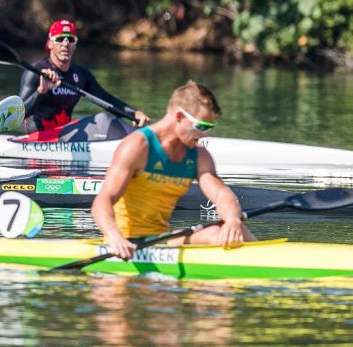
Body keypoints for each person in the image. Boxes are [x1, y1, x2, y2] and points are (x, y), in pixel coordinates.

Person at [91, 81, 256, 259]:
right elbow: (102, 202)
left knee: (238, 228)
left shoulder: (198, 155)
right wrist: (115, 237)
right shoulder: (137, 146)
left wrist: (232, 219)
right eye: (201, 126)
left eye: (210, 128)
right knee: (215, 234)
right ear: (179, 116)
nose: (205, 134)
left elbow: (220, 193)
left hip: (161, 239)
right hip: (125, 243)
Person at [18, 19, 150, 141]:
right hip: (38, 137)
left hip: (64, 134)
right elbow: (19, 114)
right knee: (100, 121)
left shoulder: (80, 74)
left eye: (70, 39)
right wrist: (41, 91)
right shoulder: (35, 72)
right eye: (59, 39)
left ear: (75, 45)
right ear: (50, 44)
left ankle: (143, 139)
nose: (65, 44)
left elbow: (106, 99)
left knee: (103, 120)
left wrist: (134, 113)